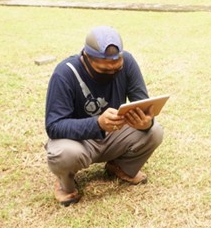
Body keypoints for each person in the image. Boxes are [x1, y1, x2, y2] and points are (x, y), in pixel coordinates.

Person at [45, 26, 164, 206]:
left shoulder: (128, 62)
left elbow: (143, 104)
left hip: (115, 133)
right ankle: (65, 183)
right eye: (104, 71)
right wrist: (97, 124)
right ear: (85, 58)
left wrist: (145, 123)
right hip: (79, 142)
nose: (112, 74)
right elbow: (54, 126)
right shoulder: (65, 73)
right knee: (63, 154)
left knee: (155, 131)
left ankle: (120, 167)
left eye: (117, 69)